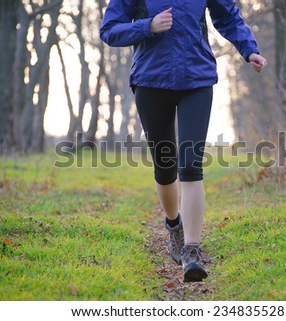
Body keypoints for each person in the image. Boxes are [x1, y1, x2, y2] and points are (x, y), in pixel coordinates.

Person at [100, 0, 267, 282]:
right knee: (165, 168)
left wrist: (249, 50)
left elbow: (228, 17)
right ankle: (173, 224)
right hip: (151, 81)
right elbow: (110, 30)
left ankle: (191, 250)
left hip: (197, 79)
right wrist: (147, 26)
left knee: (190, 166)